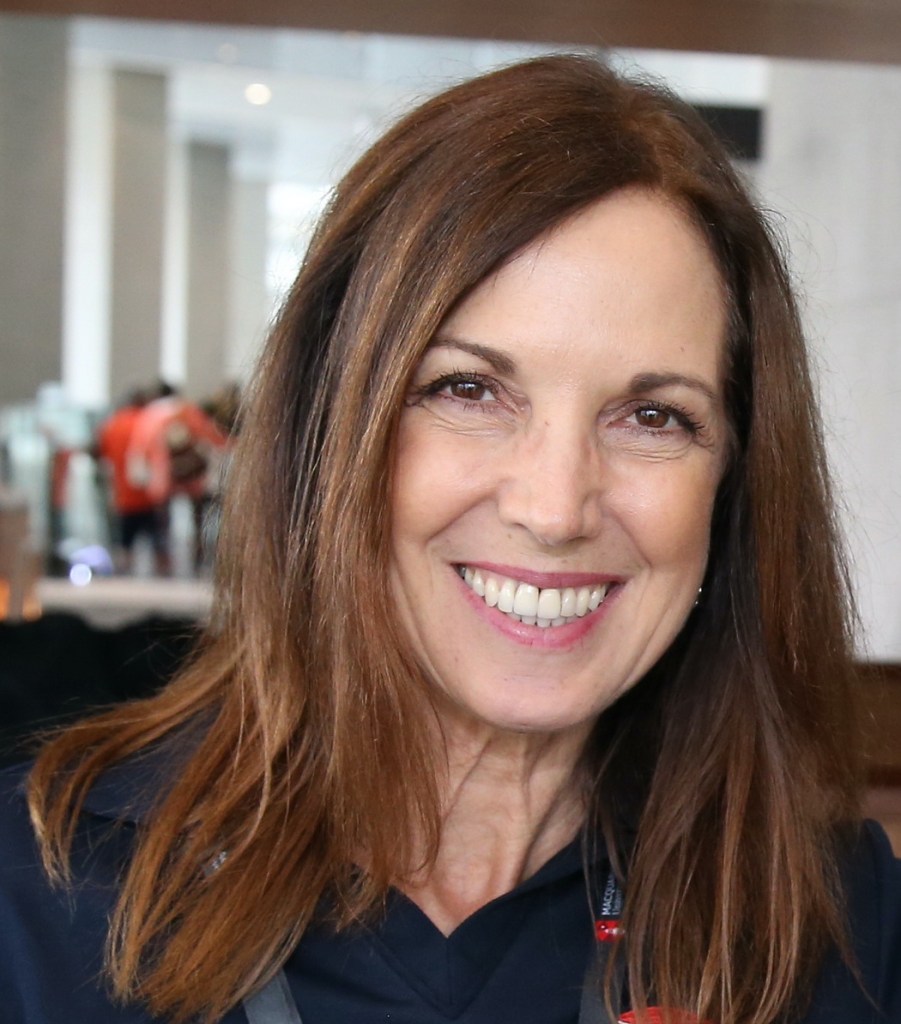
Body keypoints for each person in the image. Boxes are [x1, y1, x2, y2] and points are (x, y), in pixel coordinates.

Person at [1, 53, 899, 1024]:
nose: (554, 508)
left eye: (653, 417)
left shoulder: (841, 923)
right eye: (468, 390)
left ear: (731, 483)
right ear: (328, 429)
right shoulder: (38, 894)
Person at [126, 382, 230, 575]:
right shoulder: (186, 410)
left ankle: (165, 559)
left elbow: (141, 446)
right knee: (197, 517)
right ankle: (198, 556)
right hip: (193, 475)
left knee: (162, 520)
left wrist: (141, 474)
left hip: (163, 475)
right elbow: (210, 437)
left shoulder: (150, 415)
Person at [95, 388, 165, 575]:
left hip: (123, 494)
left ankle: (123, 573)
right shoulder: (149, 421)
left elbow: (103, 456)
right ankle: (164, 573)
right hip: (151, 494)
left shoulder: (113, 424)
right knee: (158, 540)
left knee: (125, 539)